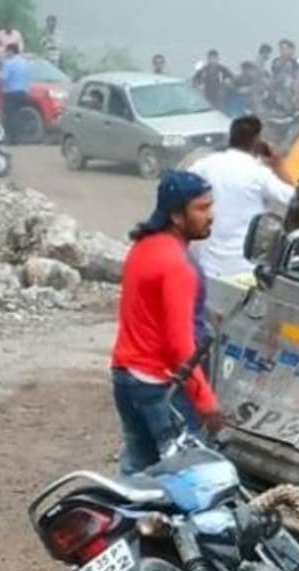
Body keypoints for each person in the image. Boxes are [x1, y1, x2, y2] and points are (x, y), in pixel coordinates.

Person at [112, 171, 225, 476]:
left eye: (210, 206)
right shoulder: (178, 266)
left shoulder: (143, 248)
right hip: (162, 387)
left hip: (126, 376)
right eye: (201, 209)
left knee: (138, 470)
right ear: (176, 215)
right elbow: (180, 345)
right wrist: (206, 401)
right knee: (189, 475)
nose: (210, 216)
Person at [189, 116, 295, 278]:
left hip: (208, 267)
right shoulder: (259, 174)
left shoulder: (206, 165)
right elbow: (296, 199)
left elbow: (177, 186)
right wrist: (279, 166)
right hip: (243, 269)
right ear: (257, 141)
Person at [0, 44, 32, 143]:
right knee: (19, 115)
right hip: (23, 92)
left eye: (7, 51)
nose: (6, 54)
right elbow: (28, 77)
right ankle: (21, 138)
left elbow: (4, 77)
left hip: (10, 93)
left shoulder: (8, 63)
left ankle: (13, 139)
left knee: (10, 116)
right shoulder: (25, 62)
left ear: (11, 51)